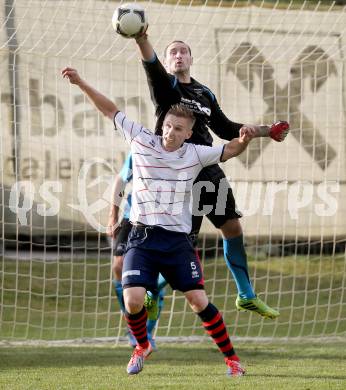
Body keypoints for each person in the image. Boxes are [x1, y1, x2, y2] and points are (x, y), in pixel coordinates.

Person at [62, 66, 256, 376]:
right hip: (142, 237)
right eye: (167, 125)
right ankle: (142, 345)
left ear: (188, 133)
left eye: (178, 129)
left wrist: (244, 141)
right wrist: (80, 81)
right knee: (133, 298)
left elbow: (229, 149)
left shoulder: (196, 153)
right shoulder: (141, 139)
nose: (170, 132)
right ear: (161, 124)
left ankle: (232, 360)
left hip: (177, 241)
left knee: (197, 301)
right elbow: (109, 109)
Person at [133, 33, 289, 319]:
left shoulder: (205, 93)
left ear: (191, 58)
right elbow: (150, 65)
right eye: (173, 53)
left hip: (209, 170)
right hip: (180, 175)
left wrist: (266, 130)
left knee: (232, 229)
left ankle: (246, 296)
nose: (178, 55)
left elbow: (227, 128)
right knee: (182, 243)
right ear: (167, 62)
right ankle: (153, 293)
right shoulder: (164, 88)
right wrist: (140, 38)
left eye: (183, 51)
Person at [107, 153, 166, 349]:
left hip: (165, 222)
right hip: (132, 217)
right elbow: (121, 181)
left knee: (155, 281)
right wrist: (113, 216)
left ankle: (147, 331)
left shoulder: (182, 153)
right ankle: (134, 324)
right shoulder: (140, 150)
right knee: (118, 266)